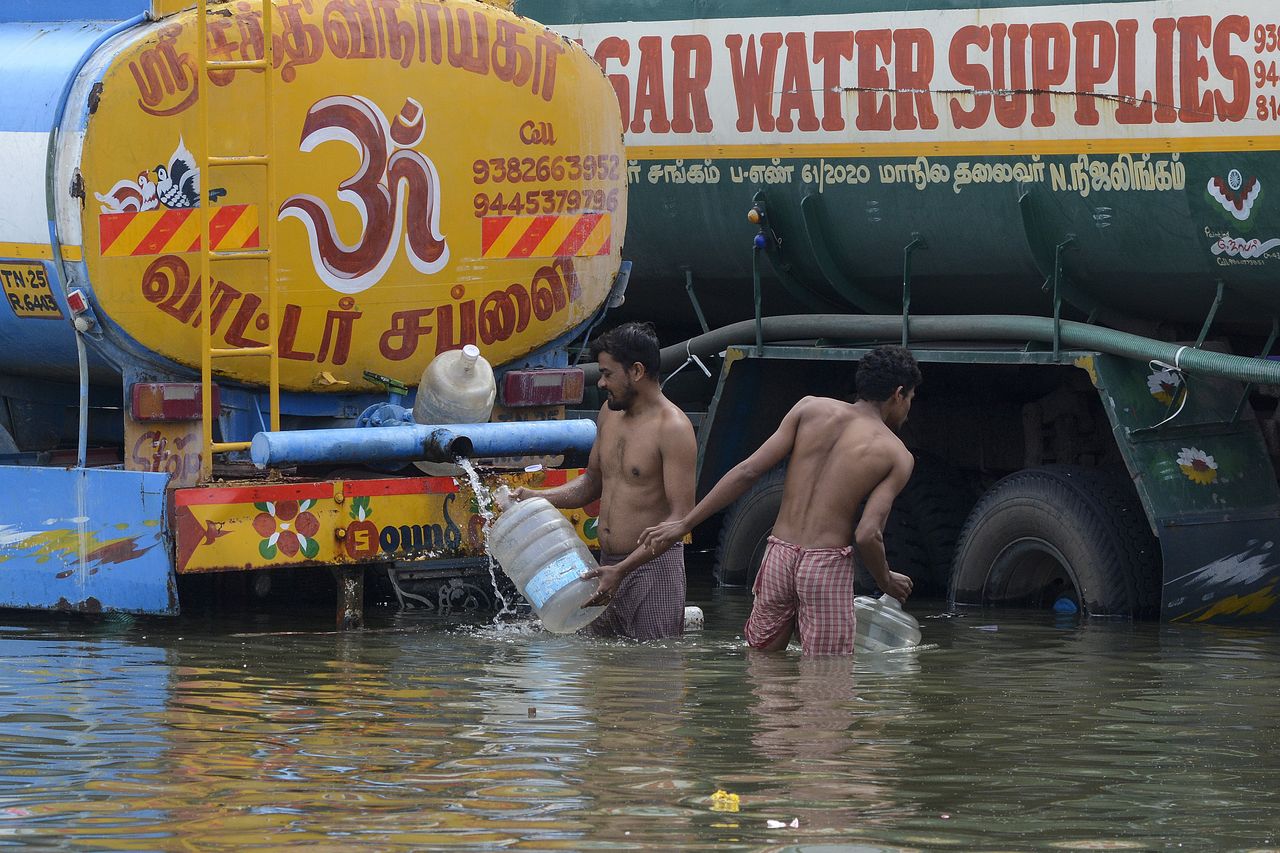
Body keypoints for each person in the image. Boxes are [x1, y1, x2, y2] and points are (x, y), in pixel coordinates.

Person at [639, 345, 920, 655]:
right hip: (824, 565)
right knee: (826, 681)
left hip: (777, 556)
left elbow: (747, 471)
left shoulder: (809, 409)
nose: (908, 409)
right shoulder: (897, 454)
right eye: (910, 399)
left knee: (763, 664)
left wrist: (685, 523)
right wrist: (886, 580)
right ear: (898, 393)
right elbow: (868, 533)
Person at [513, 322, 696, 640]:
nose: (602, 383)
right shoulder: (608, 414)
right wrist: (537, 497)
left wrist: (623, 569)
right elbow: (591, 483)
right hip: (604, 567)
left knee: (654, 676)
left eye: (608, 374)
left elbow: (679, 520)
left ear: (636, 371)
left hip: (651, 572)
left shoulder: (673, 428)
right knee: (603, 680)